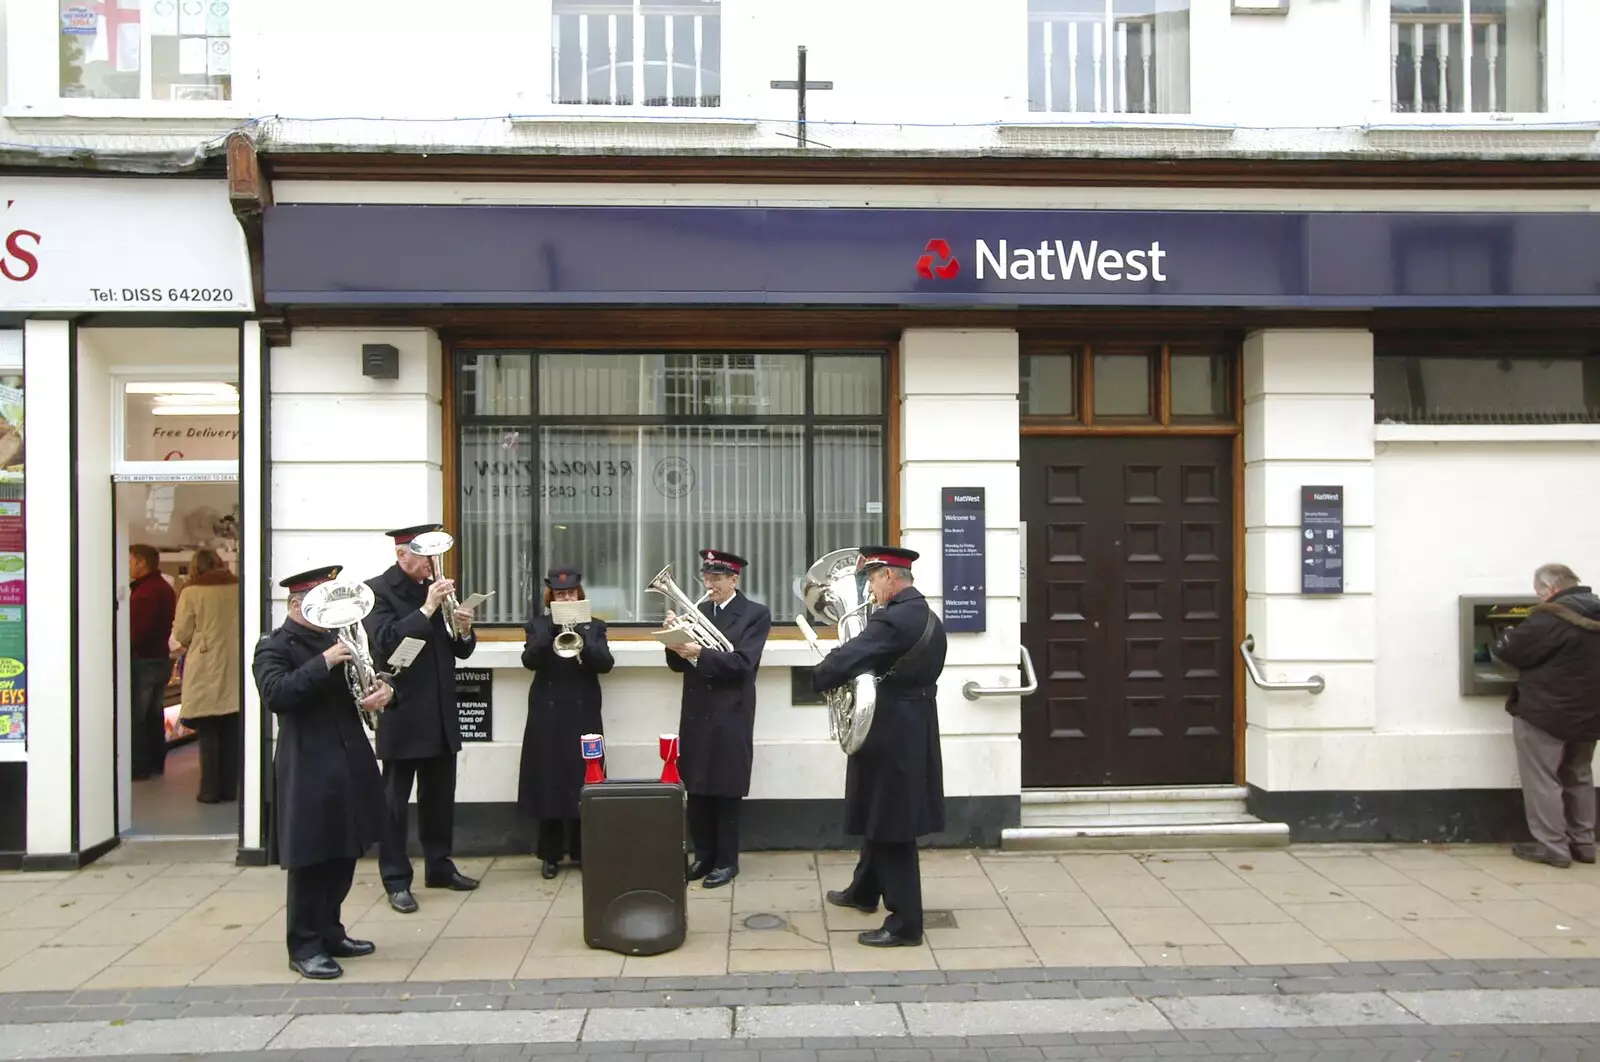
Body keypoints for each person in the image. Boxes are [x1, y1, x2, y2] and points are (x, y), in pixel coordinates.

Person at [252, 565, 393, 980]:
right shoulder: (273, 647)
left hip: (348, 759)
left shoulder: (341, 638)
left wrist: (384, 689)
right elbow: (277, 694)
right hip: (308, 764)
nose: (328, 616)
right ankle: (304, 944)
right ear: (296, 605)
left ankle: (331, 931)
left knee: (345, 852)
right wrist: (323, 661)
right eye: (318, 607)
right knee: (311, 859)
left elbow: (366, 678)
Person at [812, 546, 947, 948]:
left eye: (872, 578)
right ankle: (865, 890)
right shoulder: (924, 613)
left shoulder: (894, 619)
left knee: (894, 825)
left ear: (890, 576)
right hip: (907, 724)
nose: (869, 586)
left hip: (893, 730)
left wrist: (819, 674)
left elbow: (851, 657)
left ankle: (906, 922)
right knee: (881, 812)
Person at [364, 523, 480, 914]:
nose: (433, 564)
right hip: (402, 710)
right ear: (402, 556)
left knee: (439, 796)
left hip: (440, 710)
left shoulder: (437, 585)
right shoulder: (378, 591)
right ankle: (396, 879)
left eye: (435, 556)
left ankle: (439, 865)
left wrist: (463, 628)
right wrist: (428, 607)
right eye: (425, 557)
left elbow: (460, 651)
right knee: (395, 802)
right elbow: (384, 642)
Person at [664, 548, 772, 889]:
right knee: (695, 787)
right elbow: (678, 665)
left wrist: (701, 652)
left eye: (716, 578)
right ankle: (703, 856)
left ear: (733, 579)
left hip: (731, 711)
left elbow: (743, 664)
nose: (709, 584)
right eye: (706, 577)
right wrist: (673, 640)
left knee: (725, 787)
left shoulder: (755, 614)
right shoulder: (697, 611)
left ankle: (727, 861)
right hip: (696, 711)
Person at [1492, 562, 1600, 869]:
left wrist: (1509, 634)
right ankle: (1584, 844)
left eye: (1540, 594)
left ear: (1550, 589)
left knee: (1543, 779)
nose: (1540, 600)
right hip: (1591, 713)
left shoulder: (1549, 620)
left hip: (1545, 714)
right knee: (1579, 775)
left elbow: (1506, 650)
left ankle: (1553, 846)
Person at [518, 566, 616, 879]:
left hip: (582, 712)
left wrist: (584, 640)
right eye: (560, 594)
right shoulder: (536, 625)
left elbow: (606, 665)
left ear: (579, 594)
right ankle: (550, 855)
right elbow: (530, 661)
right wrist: (550, 634)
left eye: (571, 593)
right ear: (552, 598)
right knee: (548, 779)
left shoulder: (596, 626)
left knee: (583, 778)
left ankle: (582, 850)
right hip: (547, 714)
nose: (566, 597)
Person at [172, 548, 241, 803]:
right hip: (235, 661)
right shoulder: (237, 587)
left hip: (204, 664)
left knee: (209, 729)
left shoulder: (191, 592)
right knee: (232, 727)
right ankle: (230, 786)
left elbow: (182, 632)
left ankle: (210, 789)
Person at [129, 543, 177, 781]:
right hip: (159, 658)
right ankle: (157, 761)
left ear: (141, 562)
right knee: (154, 713)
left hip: (144, 661)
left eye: (129, 560)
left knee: (138, 715)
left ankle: (139, 765)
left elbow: (138, 631)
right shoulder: (164, 588)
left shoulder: (145, 592)